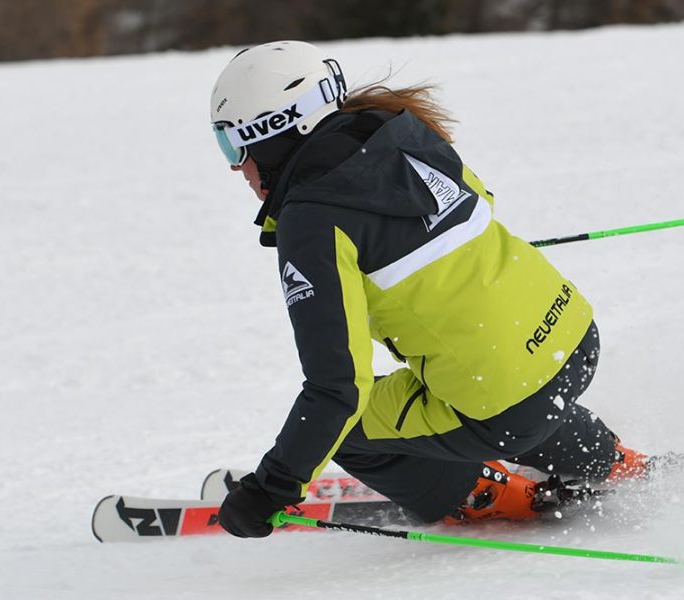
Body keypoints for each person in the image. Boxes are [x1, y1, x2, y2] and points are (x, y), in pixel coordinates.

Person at [209, 41, 647, 538]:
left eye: (231, 144)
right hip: (574, 338)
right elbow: (479, 202)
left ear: (273, 133)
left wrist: (271, 490)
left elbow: (337, 389)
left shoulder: (311, 221)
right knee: (501, 375)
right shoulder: (402, 131)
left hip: (504, 401)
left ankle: (482, 494)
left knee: (347, 431)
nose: (233, 165)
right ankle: (607, 459)